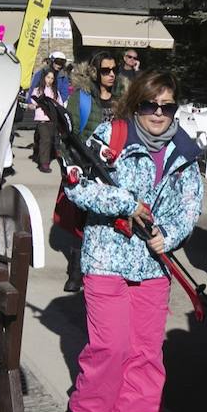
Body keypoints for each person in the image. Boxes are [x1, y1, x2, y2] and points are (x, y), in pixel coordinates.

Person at [62, 70, 205, 412]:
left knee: (146, 352)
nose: (158, 113)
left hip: (154, 264)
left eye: (167, 107)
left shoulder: (184, 150)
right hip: (106, 257)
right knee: (110, 346)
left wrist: (169, 236)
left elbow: (190, 204)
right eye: (149, 104)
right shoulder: (113, 135)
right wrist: (126, 203)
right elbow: (76, 184)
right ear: (136, 103)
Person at [61, 52, 122, 292]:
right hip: (86, 167)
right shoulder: (82, 98)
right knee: (82, 221)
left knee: (108, 221)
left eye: (114, 70)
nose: (111, 75)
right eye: (106, 70)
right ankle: (76, 269)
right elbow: (67, 134)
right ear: (95, 72)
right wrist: (70, 164)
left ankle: (104, 269)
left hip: (114, 170)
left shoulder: (122, 99)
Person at [30, 67, 65, 172]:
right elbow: (33, 103)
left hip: (53, 120)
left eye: (52, 78)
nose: (49, 80)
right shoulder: (38, 90)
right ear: (44, 78)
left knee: (50, 140)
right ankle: (44, 163)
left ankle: (41, 155)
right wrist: (33, 105)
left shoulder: (55, 92)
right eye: (48, 77)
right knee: (46, 140)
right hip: (42, 120)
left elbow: (60, 105)